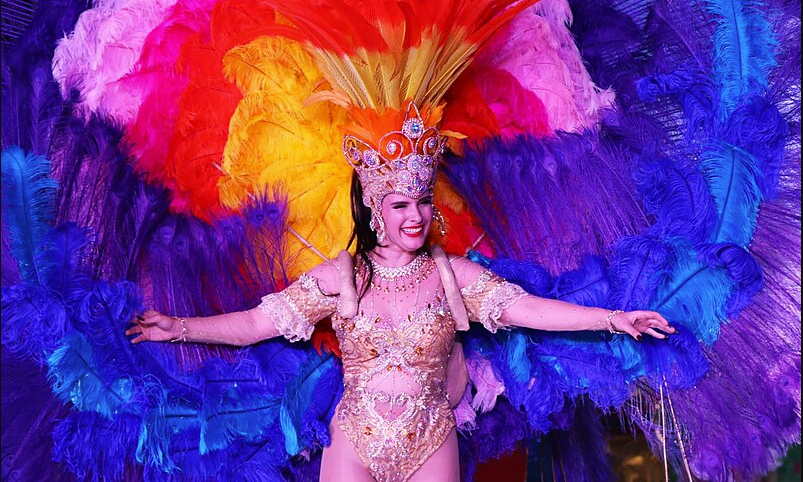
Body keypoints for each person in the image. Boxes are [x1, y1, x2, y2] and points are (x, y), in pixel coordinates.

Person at [127, 103, 675, 482]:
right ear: (373, 208)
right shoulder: (341, 276)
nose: (415, 216)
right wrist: (179, 327)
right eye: (400, 205)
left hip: (430, 439)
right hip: (355, 441)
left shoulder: (451, 275)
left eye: (422, 202)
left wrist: (612, 318)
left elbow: (527, 310)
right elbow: (253, 324)